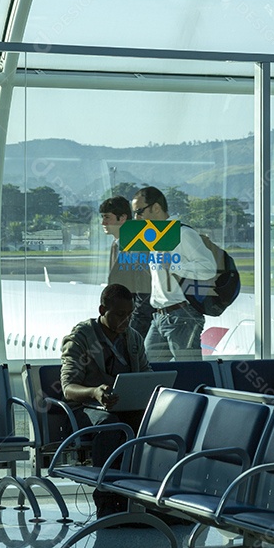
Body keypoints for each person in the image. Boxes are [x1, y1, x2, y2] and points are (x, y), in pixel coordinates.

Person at [61, 283, 151, 517]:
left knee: (154, 424)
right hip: (88, 408)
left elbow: (146, 375)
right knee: (111, 425)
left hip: (125, 406)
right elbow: (68, 388)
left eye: (130, 314)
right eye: (120, 315)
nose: (126, 320)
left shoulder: (133, 339)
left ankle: (143, 496)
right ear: (102, 311)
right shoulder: (82, 338)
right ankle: (106, 499)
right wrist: (94, 392)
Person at [131, 186, 216, 361]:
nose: (136, 218)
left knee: (189, 375)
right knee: (148, 371)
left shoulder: (183, 234)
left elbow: (208, 268)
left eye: (139, 212)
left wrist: (175, 266)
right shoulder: (156, 237)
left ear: (155, 208)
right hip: (160, 317)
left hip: (182, 316)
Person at [99, 196, 153, 339]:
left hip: (134, 322)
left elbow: (144, 292)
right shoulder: (116, 244)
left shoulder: (137, 246)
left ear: (122, 218)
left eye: (107, 217)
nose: (102, 222)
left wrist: (131, 327)